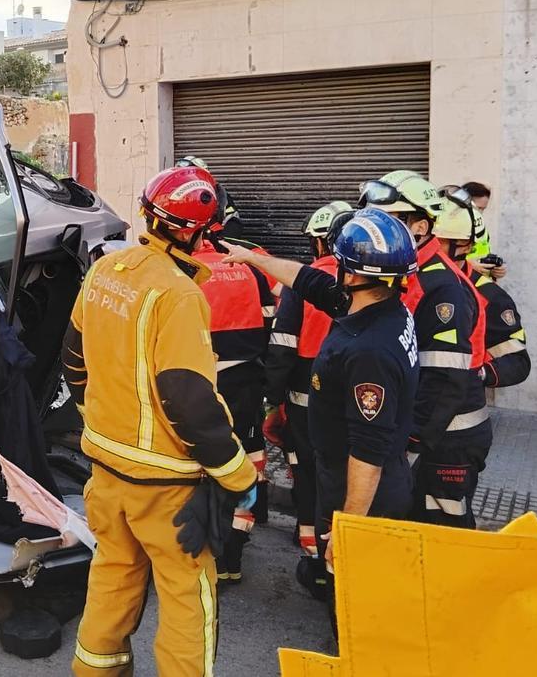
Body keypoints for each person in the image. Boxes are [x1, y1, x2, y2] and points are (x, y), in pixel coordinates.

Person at [63, 164, 257, 677]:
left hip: (105, 472)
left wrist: (98, 420)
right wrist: (238, 473)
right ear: (200, 230)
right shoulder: (179, 294)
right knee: (188, 598)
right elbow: (189, 398)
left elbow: (73, 357)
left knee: (112, 577)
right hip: (165, 486)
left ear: (149, 214)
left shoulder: (105, 271)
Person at [222, 207, 419, 624]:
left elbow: (368, 451)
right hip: (350, 478)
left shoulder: (369, 350)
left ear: (350, 273)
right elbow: (309, 281)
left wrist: (349, 527)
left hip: (363, 494)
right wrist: (255, 258)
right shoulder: (381, 306)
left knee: (356, 606)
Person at [360, 171, 490, 529]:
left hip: (442, 439)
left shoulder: (441, 286)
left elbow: (444, 378)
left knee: (440, 534)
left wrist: (410, 442)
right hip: (418, 430)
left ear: (419, 226)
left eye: (386, 221)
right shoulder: (407, 271)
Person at [177, 156, 273, 583]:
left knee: (196, 462)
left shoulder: (180, 269)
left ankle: (199, 552)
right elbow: (274, 322)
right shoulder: (253, 260)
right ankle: (233, 556)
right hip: (248, 381)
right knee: (247, 460)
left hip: (196, 383)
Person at [263, 200, 352, 595]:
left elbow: (282, 347)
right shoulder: (376, 282)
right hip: (352, 408)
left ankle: (312, 547)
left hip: (304, 402)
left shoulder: (306, 282)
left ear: (322, 242)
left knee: (307, 473)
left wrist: (271, 398)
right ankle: (341, 552)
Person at [435, 191, 531, 390]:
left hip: (460, 409)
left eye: (436, 240)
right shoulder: (406, 282)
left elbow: (518, 363)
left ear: (463, 245)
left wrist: (475, 375)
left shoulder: (490, 297)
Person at [459, 181, 508, 280]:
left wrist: (494, 271)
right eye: (478, 208)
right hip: (462, 284)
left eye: (483, 209)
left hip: (479, 286)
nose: (480, 213)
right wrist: (468, 266)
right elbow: (442, 260)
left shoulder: (481, 227)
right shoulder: (449, 228)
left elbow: (482, 255)